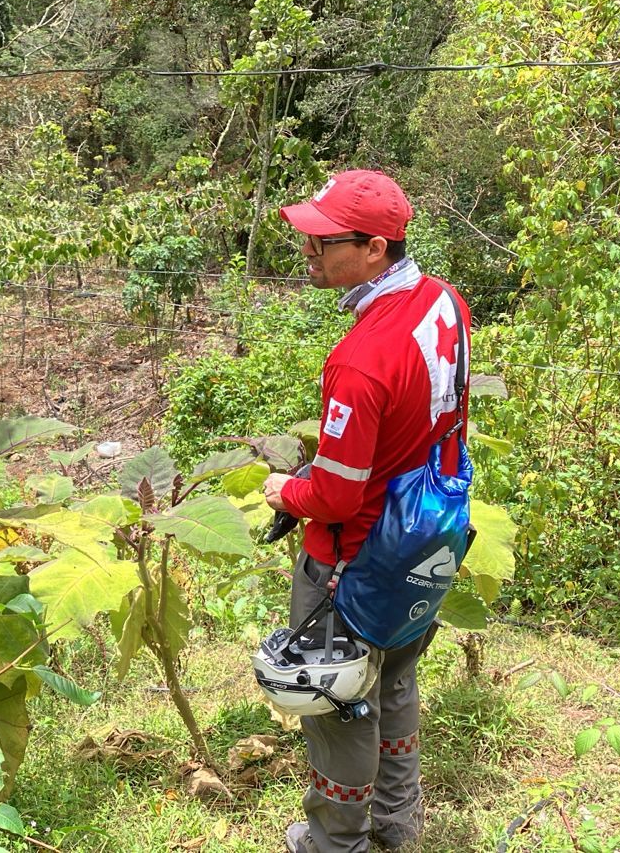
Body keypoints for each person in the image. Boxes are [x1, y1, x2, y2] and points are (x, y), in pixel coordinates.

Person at [262, 171, 471, 853]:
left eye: (324, 241)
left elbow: (337, 494)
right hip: (428, 533)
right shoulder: (444, 304)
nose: (309, 252)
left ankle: (335, 842)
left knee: (339, 702)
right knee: (397, 675)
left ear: (375, 247)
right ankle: (395, 821)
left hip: (354, 556)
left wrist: (285, 492)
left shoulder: (361, 359)